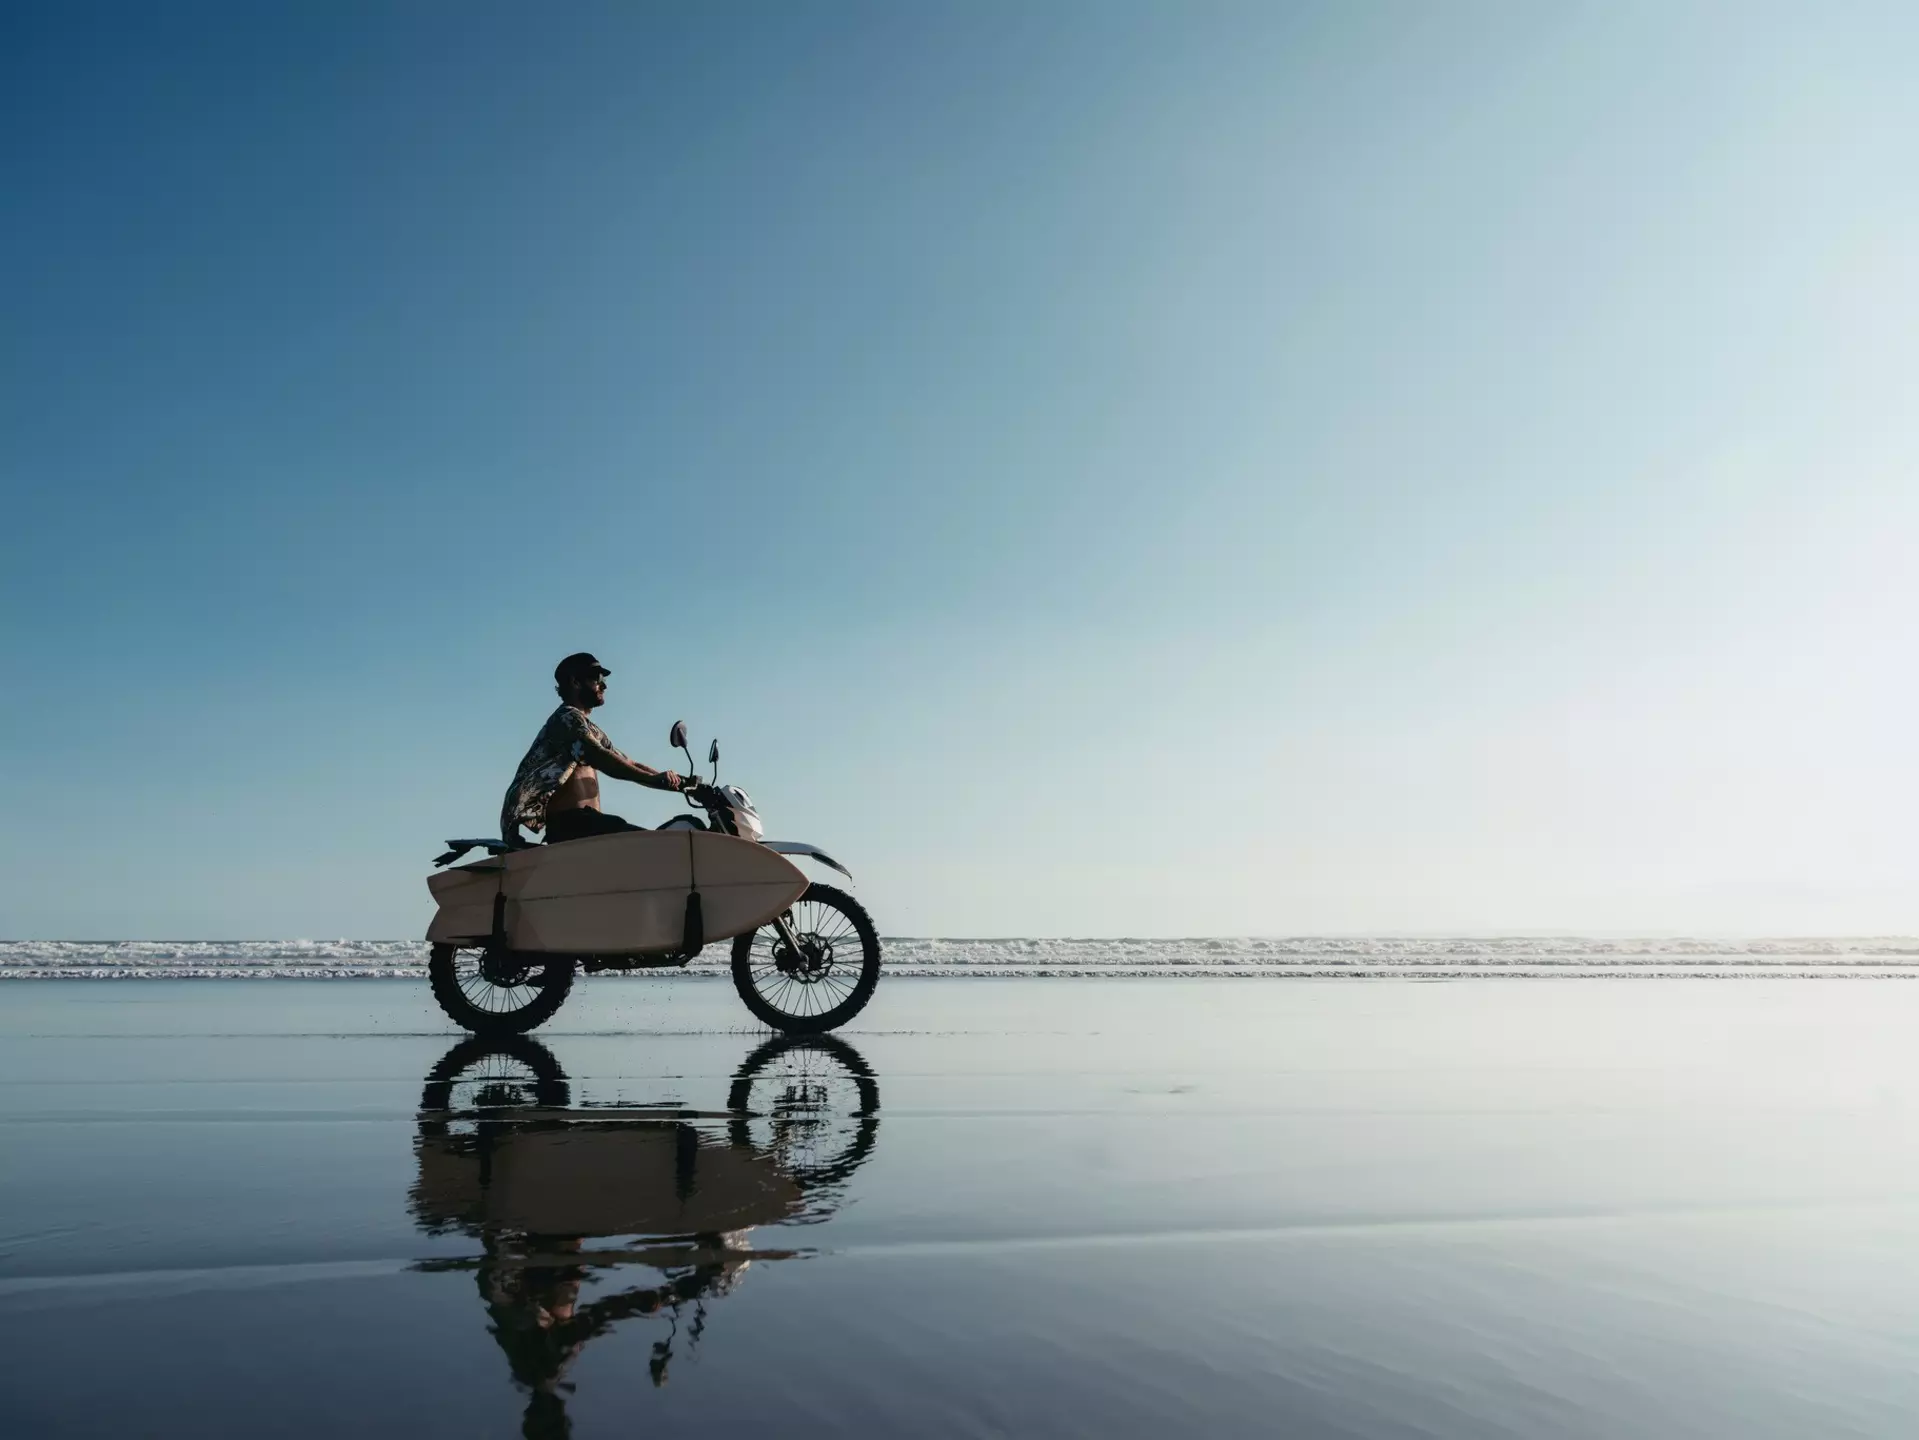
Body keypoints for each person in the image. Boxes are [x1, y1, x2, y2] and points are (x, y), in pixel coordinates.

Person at [500, 652, 691, 845]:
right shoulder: (566, 719)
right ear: (575, 682)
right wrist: (651, 778)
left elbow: (628, 762)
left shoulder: (588, 728)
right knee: (657, 846)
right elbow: (599, 756)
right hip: (573, 825)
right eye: (597, 679)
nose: (604, 685)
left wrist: (682, 785)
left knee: (656, 846)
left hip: (589, 824)